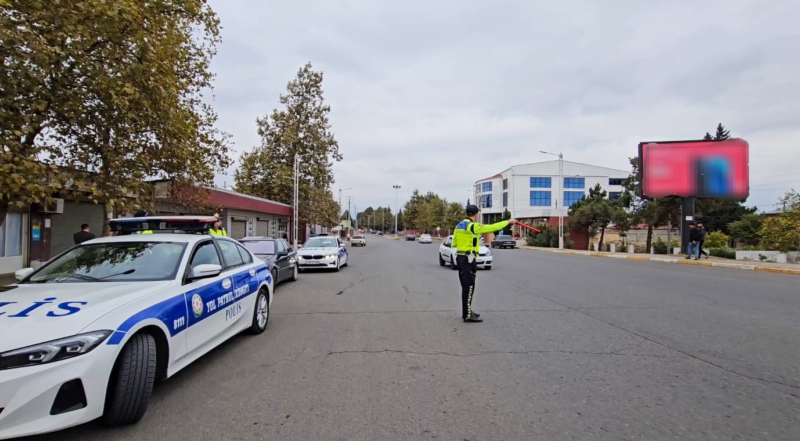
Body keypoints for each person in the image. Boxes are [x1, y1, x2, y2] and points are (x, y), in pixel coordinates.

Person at [453, 204, 516, 323]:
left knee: (466, 287)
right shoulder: (473, 226)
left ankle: (467, 311)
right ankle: (467, 315)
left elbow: (454, 243)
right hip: (468, 259)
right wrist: (508, 221)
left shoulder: (459, 225)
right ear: (476, 215)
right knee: (469, 288)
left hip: (460, 258)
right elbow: (491, 227)